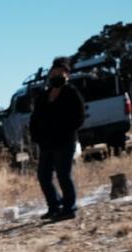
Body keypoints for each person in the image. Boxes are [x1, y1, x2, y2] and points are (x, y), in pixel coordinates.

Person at [29, 57, 86, 221]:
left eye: (60, 73)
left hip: (65, 141)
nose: (56, 76)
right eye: (54, 73)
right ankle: (54, 206)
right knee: (43, 176)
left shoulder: (71, 93)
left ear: (67, 75)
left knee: (63, 175)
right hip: (46, 143)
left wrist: (67, 130)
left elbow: (80, 117)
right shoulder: (44, 95)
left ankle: (69, 208)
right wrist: (36, 136)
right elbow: (35, 117)